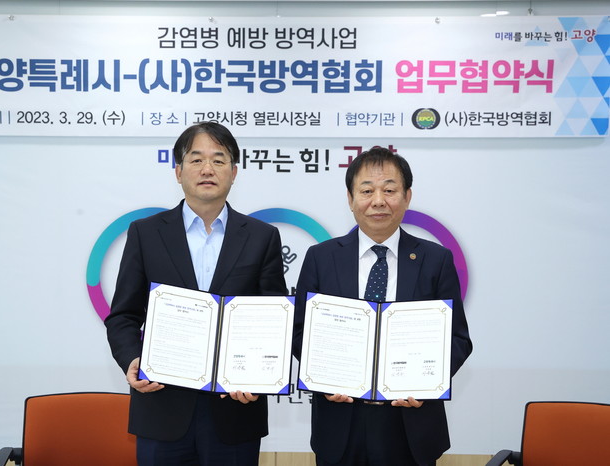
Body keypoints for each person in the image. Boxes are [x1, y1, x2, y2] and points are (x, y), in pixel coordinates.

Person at [105, 121, 287, 466]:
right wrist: (132, 358)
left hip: (235, 410)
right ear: (178, 171)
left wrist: (259, 377)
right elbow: (124, 315)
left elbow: (273, 319)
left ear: (234, 172)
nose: (207, 169)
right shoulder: (146, 233)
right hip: (162, 407)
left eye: (219, 160)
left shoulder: (262, 237)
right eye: (196, 159)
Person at [292, 147, 472, 466]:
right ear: (350, 199)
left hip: (410, 422)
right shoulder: (321, 258)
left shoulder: (436, 260)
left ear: (407, 196)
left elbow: (458, 340)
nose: (378, 201)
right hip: (340, 420)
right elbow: (299, 332)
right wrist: (322, 376)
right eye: (367, 191)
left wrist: (427, 384)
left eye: (389, 190)